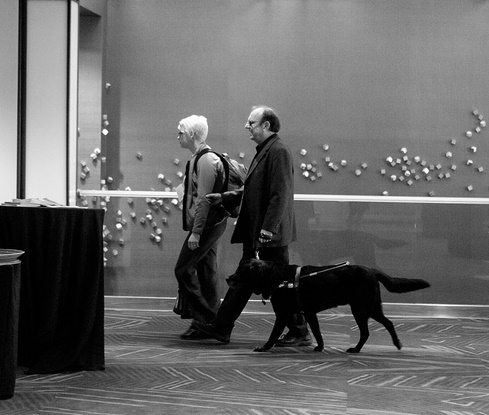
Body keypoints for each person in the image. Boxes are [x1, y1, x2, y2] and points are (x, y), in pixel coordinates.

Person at [194, 106, 311, 346]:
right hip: (259, 232)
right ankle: (222, 326)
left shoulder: (278, 151)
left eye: (252, 122)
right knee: (245, 280)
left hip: (269, 236)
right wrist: (225, 197)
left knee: (278, 286)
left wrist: (268, 229)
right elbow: (254, 190)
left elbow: (280, 194)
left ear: (266, 125)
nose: (247, 126)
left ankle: (300, 330)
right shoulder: (266, 151)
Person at [174, 115, 228, 340]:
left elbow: (204, 200)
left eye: (180, 132)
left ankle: (210, 319)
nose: (178, 136)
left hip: (207, 225)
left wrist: (196, 232)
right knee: (207, 272)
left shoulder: (205, 160)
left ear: (192, 135)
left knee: (183, 269)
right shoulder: (200, 158)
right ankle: (204, 323)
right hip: (211, 223)